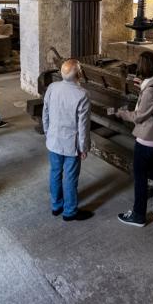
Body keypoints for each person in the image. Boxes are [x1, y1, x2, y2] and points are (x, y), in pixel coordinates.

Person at [112, 51, 153, 227]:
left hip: (147, 140)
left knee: (140, 178)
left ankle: (138, 215)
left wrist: (121, 113)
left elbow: (138, 116)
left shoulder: (150, 92)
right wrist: (143, 86)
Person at [42, 59, 93, 221]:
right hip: (71, 144)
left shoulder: (52, 88)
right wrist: (84, 148)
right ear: (79, 74)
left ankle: (56, 206)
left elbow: (45, 113)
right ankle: (70, 212)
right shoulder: (82, 94)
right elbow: (83, 126)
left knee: (55, 173)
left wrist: (47, 132)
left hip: (53, 140)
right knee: (70, 177)